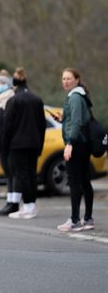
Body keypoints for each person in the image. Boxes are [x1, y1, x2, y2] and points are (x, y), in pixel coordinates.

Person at [1, 67, 46, 220]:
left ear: (14, 84)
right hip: (34, 143)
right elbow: (42, 125)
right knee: (31, 174)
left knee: (21, 175)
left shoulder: (13, 101)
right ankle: (30, 206)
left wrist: (4, 145)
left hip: (17, 145)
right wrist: (40, 145)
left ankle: (27, 208)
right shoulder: (37, 100)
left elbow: (7, 126)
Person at [57, 68, 95, 232]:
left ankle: (75, 220)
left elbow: (78, 122)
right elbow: (77, 118)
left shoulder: (75, 97)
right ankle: (88, 218)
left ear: (77, 80)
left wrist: (70, 143)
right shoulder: (80, 96)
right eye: (63, 79)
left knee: (74, 182)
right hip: (83, 144)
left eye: (69, 78)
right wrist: (62, 118)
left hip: (77, 144)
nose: (65, 81)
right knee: (85, 181)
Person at [0, 70, 18, 216]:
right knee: (7, 173)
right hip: (0, 142)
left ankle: (14, 203)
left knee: (12, 173)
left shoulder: (12, 100)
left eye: (3, 83)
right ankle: (9, 201)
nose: (0, 85)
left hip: (10, 143)